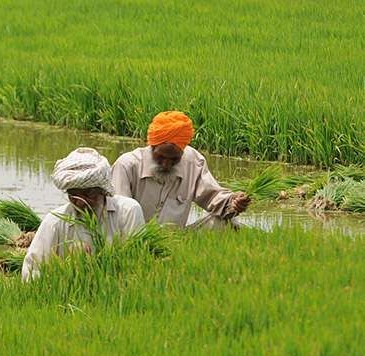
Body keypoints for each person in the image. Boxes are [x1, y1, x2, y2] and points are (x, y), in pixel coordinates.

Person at [21, 147, 144, 280]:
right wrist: (64, 271)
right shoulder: (54, 221)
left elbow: (138, 265)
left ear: (102, 190)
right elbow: (31, 270)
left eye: (88, 194)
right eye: (73, 195)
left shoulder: (128, 212)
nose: (80, 203)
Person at [111, 111, 250, 228]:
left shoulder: (193, 162)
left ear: (182, 152)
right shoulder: (127, 166)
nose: (166, 164)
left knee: (228, 222)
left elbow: (212, 196)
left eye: (174, 159)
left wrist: (233, 202)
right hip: (133, 239)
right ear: (152, 147)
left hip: (178, 241)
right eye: (161, 157)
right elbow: (118, 215)